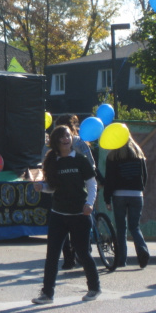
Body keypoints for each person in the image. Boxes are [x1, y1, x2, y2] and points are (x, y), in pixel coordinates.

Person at [32, 125, 101, 304]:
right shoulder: (52, 161)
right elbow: (52, 187)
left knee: (83, 253)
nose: (66, 139)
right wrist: (42, 187)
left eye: (68, 136)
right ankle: (47, 294)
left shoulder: (81, 160)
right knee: (52, 255)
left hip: (79, 214)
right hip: (58, 214)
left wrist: (89, 203)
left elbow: (92, 184)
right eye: (62, 136)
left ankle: (94, 287)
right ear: (56, 141)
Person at [42, 114, 96, 270]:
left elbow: (45, 166)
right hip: (73, 196)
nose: (65, 139)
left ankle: (69, 258)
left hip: (68, 198)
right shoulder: (79, 142)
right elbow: (91, 164)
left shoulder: (52, 145)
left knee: (65, 230)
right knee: (79, 227)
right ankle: (83, 253)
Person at [104, 134, 149, 268]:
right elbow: (144, 176)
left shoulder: (112, 156)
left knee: (121, 228)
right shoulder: (138, 154)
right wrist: (141, 190)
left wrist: (107, 198)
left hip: (119, 195)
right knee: (134, 226)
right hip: (136, 194)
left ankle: (121, 260)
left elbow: (109, 179)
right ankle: (142, 250)